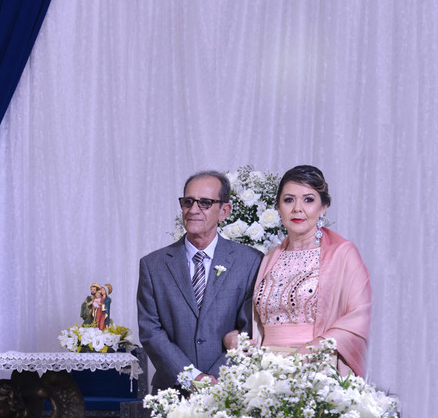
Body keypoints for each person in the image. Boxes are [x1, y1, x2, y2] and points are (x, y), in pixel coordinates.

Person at [137, 171, 263, 392]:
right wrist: (193, 377)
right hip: (172, 393)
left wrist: (215, 377)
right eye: (188, 202)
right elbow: (151, 331)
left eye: (205, 203)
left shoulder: (251, 262)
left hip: (231, 389)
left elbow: (251, 330)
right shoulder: (153, 265)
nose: (194, 210)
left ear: (224, 211)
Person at [250, 165, 371, 376]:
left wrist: (313, 348)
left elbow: (360, 314)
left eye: (308, 199)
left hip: (316, 368)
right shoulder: (270, 257)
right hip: (266, 371)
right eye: (289, 200)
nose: (297, 208)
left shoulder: (342, 253)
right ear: (278, 207)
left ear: (323, 207)